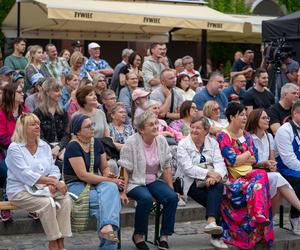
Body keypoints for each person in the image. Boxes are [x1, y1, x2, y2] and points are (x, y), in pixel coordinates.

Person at [6, 113, 72, 250]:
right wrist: (53, 183)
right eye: (33, 124)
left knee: (65, 198)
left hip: (45, 188)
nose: (38, 126)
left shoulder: (44, 146)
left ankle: (61, 240)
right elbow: (25, 174)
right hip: (20, 190)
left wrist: (52, 181)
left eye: (38, 124)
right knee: (46, 203)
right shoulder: (14, 148)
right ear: (23, 128)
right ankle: (54, 241)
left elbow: (53, 168)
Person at [216, 102, 274, 249]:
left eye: (245, 115)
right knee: (258, 183)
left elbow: (254, 159)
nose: (244, 118)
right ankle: (258, 215)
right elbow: (232, 161)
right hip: (233, 179)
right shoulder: (223, 135)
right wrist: (247, 154)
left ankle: (258, 215)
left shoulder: (246, 134)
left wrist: (243, 157)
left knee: (261, 175)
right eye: (241, 115)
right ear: (231, 117)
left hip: (250, 173)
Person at [118, 111, 178, 250]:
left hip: (153, 180)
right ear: (141, 129)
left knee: (172, 198)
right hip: (134, 181)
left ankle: (163, 236)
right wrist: (122, 191)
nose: (156, 126)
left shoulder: (161, 140)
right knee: (145, 199)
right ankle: (138, 236)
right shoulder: (131, 142)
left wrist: (170, 187)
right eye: (151, 124)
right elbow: (124, 168)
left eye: (156, 123)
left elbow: (167, 165)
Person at [64, 113, 122, 249]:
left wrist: (109, 176)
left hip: (95, 181)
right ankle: (108, 241)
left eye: (92, 125)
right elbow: (83, 175)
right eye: (88, 126)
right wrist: (107, 179)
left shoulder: (96, 143)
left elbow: (104, 167)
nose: (92, 128)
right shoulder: (73, 146)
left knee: (111, 189)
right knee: (108, 203)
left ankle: (107, 228)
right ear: (78, 131)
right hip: (76, 184)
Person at [176, 116, 228, 249]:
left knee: (218, 186)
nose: (193, 130)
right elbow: (188, 169)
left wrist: (216, 177)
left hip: (211, 182)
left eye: (197, 128)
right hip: (190, 183)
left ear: (206, 130)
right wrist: (208, 174)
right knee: (217, 200)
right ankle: (217, 234)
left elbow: (219, 163)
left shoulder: (213, 143)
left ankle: (212, 223)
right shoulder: (183, 144)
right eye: (192, 127)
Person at [246, 109, 300, 215]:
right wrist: (263, 164)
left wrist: (272, 165)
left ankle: (268, 220)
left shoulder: (269, 136)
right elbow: (248, 163)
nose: (267, 120)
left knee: (278, 188)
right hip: (253, 173)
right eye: (264, 118)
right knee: (278, 178)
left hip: (267, 172)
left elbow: (272, 160)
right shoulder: (248, 138)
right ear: (255, 120)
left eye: (268, 118)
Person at [0, 82, 29, 221]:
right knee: (8, 169)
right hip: (5, 153)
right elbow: (2, 138)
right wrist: (19, 147)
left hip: (27, 150)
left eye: (22, 91)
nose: (22, 93)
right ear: (10, 95)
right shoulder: (1, 113)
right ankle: (6, 206)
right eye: (19, 91)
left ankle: (33, 204)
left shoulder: (26, 112)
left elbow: (33, 129)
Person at [275, 100, 300, 235]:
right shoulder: (284, 131)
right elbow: (289, 160)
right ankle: (295, 218)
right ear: (295, 113)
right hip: (284, 169)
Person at [34, 78, 70, 167]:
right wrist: (51, 149)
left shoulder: (63, 112)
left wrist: (59, 147)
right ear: (47, 92)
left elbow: (67, 134)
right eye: (57, 91)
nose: (60, 93)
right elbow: (39, 136)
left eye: (60, 90)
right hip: (43, 151)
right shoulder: (37, 113)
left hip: (62, 149)